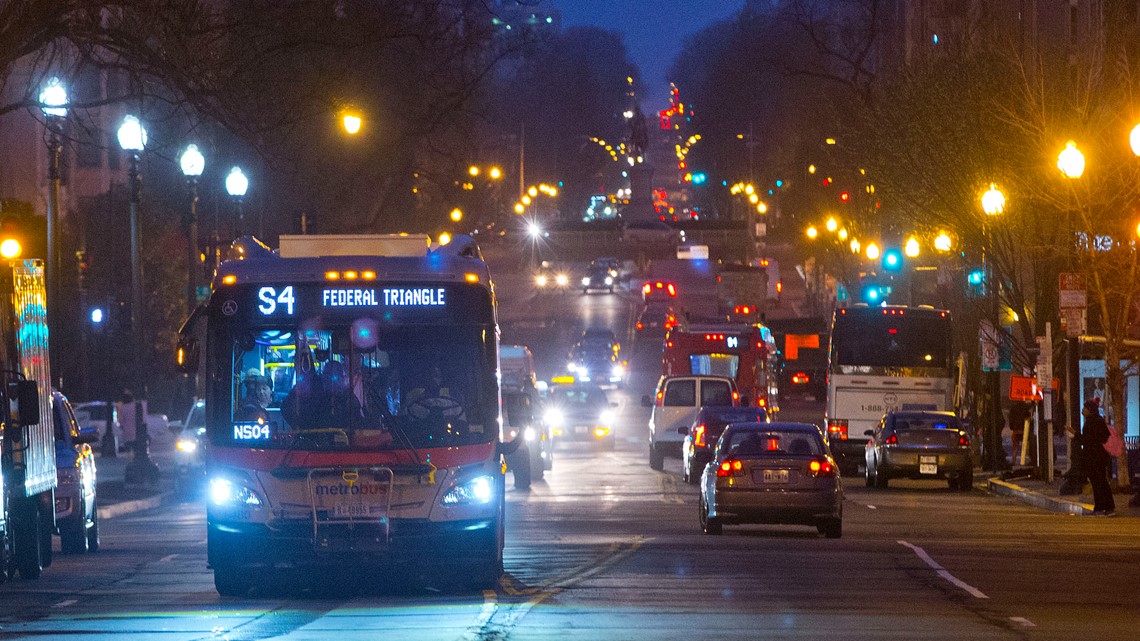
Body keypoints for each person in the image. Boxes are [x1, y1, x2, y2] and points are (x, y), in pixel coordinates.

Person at [1068, 399, 1115, 515]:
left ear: (1090, 410)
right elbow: (1105, 436)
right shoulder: (1099, 421)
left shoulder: (1091, 422)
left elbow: (1087, 440)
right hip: (1100, 456)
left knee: (1097, 482)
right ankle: (1108, 507)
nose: (1082, 410)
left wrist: (1075, 435)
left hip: (1093, 457)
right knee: (1102, 481)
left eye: (1085, 408)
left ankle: (1100, 507)